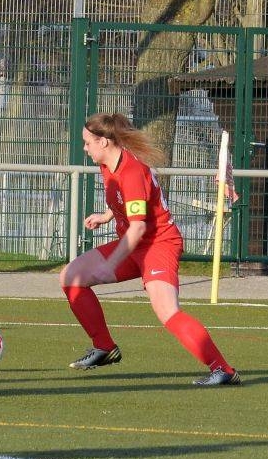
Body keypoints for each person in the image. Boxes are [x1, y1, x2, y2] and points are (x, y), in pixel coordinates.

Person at [60, 113, 240, 386]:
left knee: (168, 311)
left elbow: (138, 227)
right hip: (134, 244)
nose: (84, 148)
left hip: (158, 244)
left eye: (87, 143)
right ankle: (104, 347)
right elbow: (127, 201)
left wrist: (111, 264)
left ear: (104, 142)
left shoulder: (132, 172)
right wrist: (107, 216)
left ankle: (223, 369)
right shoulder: (108, 165)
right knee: (71, 277)